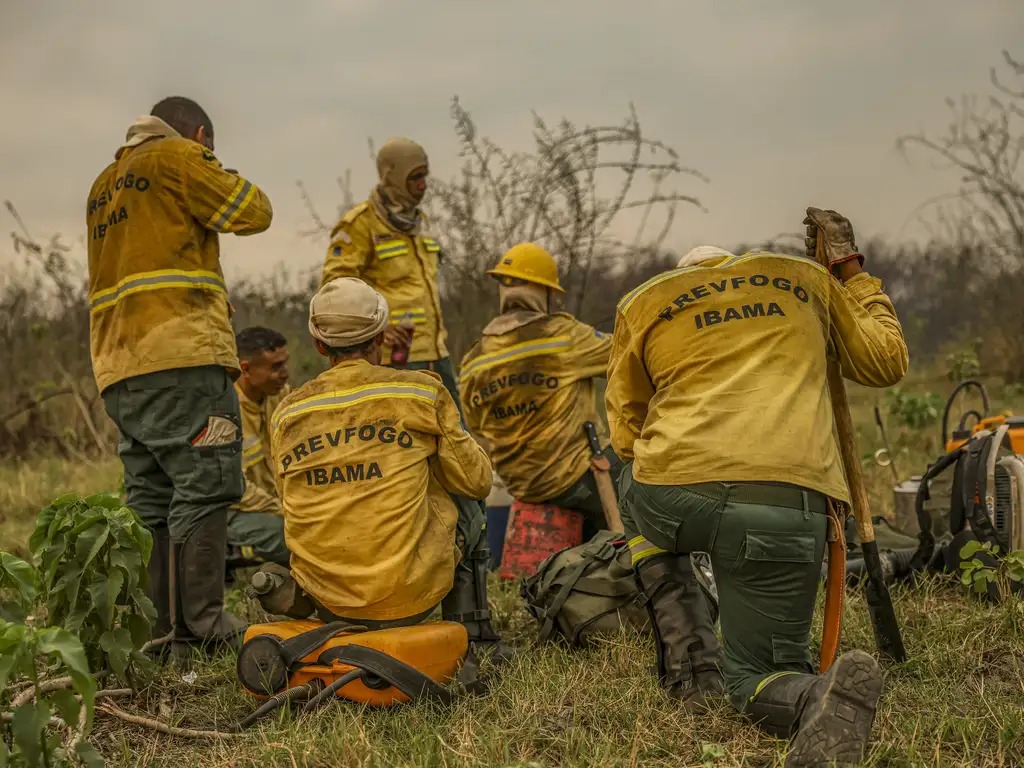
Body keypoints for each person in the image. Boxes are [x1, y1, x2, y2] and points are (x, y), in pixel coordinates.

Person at [605, 208, 908, 767]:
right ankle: (811, 695)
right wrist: (849, 274)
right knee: (758, 675)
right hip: (785, 507)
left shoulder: (646, 302)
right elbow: (886, 361)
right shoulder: (807, 282)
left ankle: (688, 650)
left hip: (674, 495)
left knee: (624, 465)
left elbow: (627, 430)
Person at [86, 96, 273, 656]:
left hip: (118, 365)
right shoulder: (179, 158)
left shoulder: (102, 184)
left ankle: (162, 632)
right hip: (182, 354)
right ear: (198, 135)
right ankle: (205, 624)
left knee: (150, 495)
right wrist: (204, 160)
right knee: (208, 479)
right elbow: (254, 211)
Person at [255, 277, 508, 667]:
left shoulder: (287, 412)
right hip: (410, 598)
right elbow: (476, 481)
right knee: (464, 499)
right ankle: (471, 635)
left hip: (328, 601)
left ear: (319, 345)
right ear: (381, 337)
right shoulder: (421, 394)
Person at [459, 243, 621, 537]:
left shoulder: (474, 359)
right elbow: (626, 356)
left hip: (519, 484)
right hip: (575, 479)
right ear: (543, 292)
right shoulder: (561, 337)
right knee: (647, 478)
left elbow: (476, 426)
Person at [320, 138, 460, 406]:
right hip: (392, 358)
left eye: (424, 177)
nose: (423, 185)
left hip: (436, 353)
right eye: (414, 177)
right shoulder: (360, 225)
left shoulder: (420, 224)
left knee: (454, 438)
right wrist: (379, 326)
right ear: (392, 176)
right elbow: (336, 288)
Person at [228, 327, 292, 567]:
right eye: (275, 367)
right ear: (245, 369)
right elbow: (237, 489)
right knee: (291, 538)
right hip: (237, 510)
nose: (285, 374)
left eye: (285, 364)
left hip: (278, 505)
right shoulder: (225, 411)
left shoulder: (282, 396)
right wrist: (285, 511)